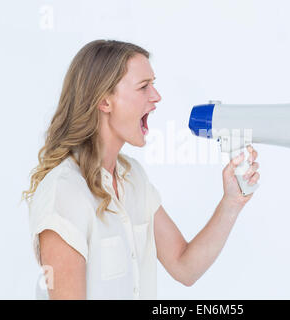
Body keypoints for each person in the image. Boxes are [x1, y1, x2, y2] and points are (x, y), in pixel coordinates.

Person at [21, 39, 260, 300]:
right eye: (144, 87)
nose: (156, 96)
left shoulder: (133, 177)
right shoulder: (64, 192)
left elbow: (184, 266)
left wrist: (231, 202)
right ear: (104, 101)